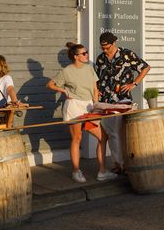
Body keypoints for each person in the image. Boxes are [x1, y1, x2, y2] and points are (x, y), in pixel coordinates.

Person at [47, 42, 117, 183]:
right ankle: (76, 171)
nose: (87, 55)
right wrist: (65, 91)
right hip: (74, 107)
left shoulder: (89, 68)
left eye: (86, 53)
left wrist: (96, 105)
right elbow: (50, 84)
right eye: (84, 53)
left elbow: (95, 88)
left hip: (89, 106)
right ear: (75, 56)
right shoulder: (66, 71)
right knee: (77, 138)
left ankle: (102, 171)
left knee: (103, 137)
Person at [95, 32, 150, 174]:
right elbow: (97, 78)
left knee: (118, 132)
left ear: (114, 43)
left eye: (107, 47)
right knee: (112, 133)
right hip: (106, 101)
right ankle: (118, 164)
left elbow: (145, 67)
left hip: (122, 99)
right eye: (102, 48)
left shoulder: (127, 54)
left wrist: (134, 83)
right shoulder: (100, 59)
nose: (105, 50)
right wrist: (98, 91)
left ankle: (124, 164)